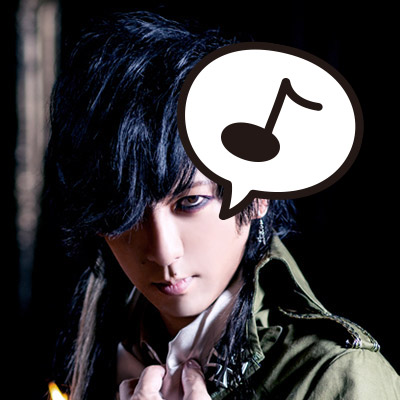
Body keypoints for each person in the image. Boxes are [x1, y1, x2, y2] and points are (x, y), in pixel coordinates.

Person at [45, 11, 400, 400]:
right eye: (123, 214)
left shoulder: (338, 376)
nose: (163, 251)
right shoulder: (82, 342)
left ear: (260, 195)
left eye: (191, 202)